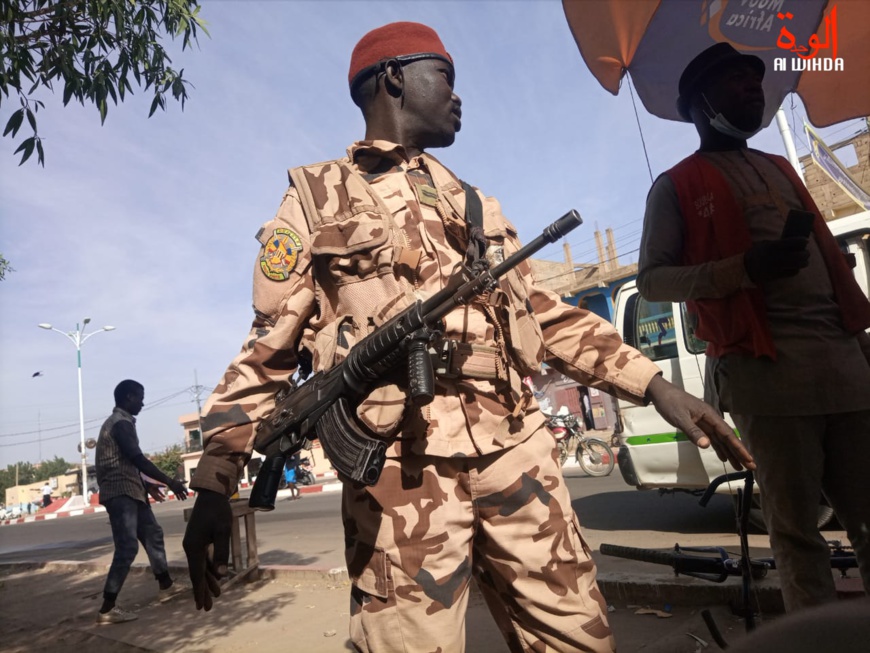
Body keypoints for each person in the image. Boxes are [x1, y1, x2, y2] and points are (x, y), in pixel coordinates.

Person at [183, 22, 753, 652]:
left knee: (577, 639)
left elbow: (542, 314)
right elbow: (267, 349)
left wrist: (653, 384)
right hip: (400, 467)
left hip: (516, 446)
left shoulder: (476, 205)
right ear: (394, 77)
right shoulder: (317, 198)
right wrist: (214, 481)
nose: (458, 96)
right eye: (445, 76)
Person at [637, 42, 870, 613]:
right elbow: (652, 281)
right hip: (767, 377)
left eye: (755, 79)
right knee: (797, 533)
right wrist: (743, 269)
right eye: (735, 79)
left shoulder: (780, 167)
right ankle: (818, 642)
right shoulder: (676, 185)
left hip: (845, 366)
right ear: (699, 104)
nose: (753, 88)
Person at [94, 379, 190, 624]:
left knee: (152, 534)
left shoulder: (122, 422)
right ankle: (107, 609)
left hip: (132, 490)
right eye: (140, 398)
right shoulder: (120, 423)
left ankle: (166, 586)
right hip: (120, 493)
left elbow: (126, 463)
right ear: (129, 397)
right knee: (127, 547)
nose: (143, 403)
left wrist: (147, 486)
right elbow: (138, 460)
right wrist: (170, 481)